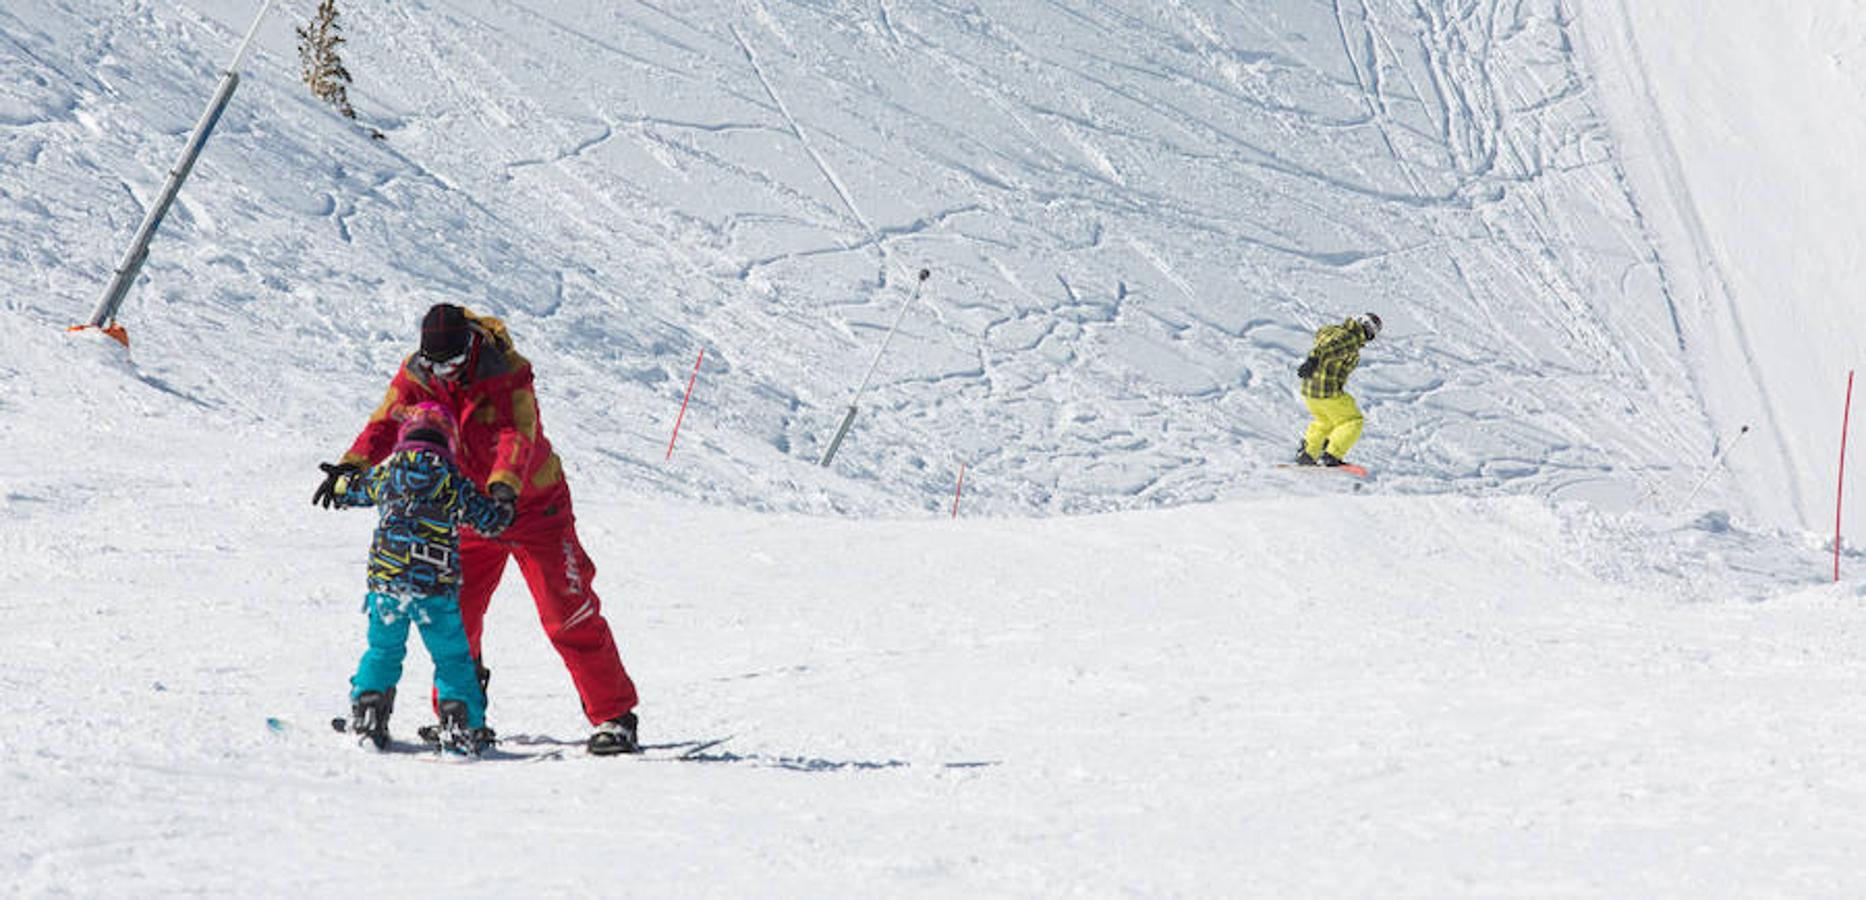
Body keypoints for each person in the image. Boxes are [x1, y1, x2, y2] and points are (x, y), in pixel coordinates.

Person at [315, 303, 643, 755]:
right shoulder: (420, 374)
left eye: (450, 365)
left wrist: (504, 488)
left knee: (566, 611)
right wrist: (351, 466)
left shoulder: (506, 372)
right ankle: (461, 713)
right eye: (434, 364)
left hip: (533, 508)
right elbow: (387, 420)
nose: (443, 374)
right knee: (453, 613)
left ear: (468, 350)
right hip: (466, 508)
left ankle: (613, 715)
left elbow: (517, 432)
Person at [327, 402, 513, 755]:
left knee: (382, 649)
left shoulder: (388, 474)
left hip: (386, 587)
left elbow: (352, 490)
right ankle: (462, 724)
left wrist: (338, 485)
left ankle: (368, 714)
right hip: (434, 591)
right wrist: (501, 509)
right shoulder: (451, 480)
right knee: (452, 658)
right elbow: (487, 518)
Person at [1294, 312, 1381, 467]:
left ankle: (1308, 453)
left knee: (1325, 421)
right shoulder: (1350, 339)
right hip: (1327, 391)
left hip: (1310, 391)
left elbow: (1322, 341)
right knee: (1353, 421)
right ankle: (1332, 455)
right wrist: (1313, 360)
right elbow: (1328, 349)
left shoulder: (1332, 330)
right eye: (1372, 332)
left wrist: (1313, 360)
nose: (1370, 336)